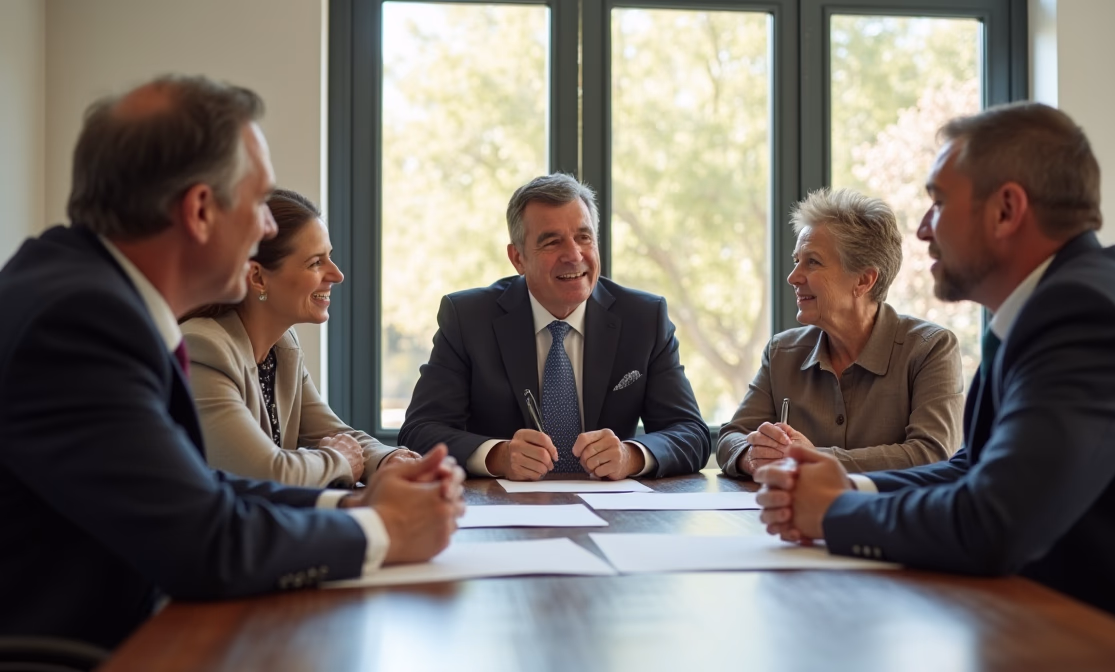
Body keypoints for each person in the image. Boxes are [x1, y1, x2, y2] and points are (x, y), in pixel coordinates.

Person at [0, 75, 465, 651]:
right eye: (258, 202)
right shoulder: (79, 321)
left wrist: (349, 500)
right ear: (199, 210)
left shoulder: (87, 293)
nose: (267, 226)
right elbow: (206, 542)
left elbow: (196, 488)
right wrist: (384, 529)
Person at [755, 102, 1115, 645]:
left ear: (1006, 211)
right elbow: (972, 467)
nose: (921, 230)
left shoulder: (1086, 314)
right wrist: (851, 484)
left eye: (938, 202)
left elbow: (995, 523)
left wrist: (837, 512)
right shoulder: (1048, 304)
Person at [398, 173, 710, 481]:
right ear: (518, 258)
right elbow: (419, 431)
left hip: (616, 514)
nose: (574, 255)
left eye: (584, 237)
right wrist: (497, 455)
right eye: (552, 242)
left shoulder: (644, 318)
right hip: (504, 517)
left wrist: (632, 455)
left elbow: (691, 434)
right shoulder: (468, 318)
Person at [716, 188, 963, 477]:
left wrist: (815, 460)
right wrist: (754, 455)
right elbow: (730, 438)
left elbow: (932, 454)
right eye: (797, 260)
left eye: (813, 262)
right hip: (790, 518)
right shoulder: (781, 352)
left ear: (863, 280)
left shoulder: (931, 348)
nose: (793, 277)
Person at [181, 189, 419, 488]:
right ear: (257, 277)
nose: (337, 274)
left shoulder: (282, 346)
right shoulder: (202, 348)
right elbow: (266, 472)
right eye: (315, 262)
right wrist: (340, 461)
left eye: (329, 257)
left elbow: (332, 432)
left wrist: (388, 460)